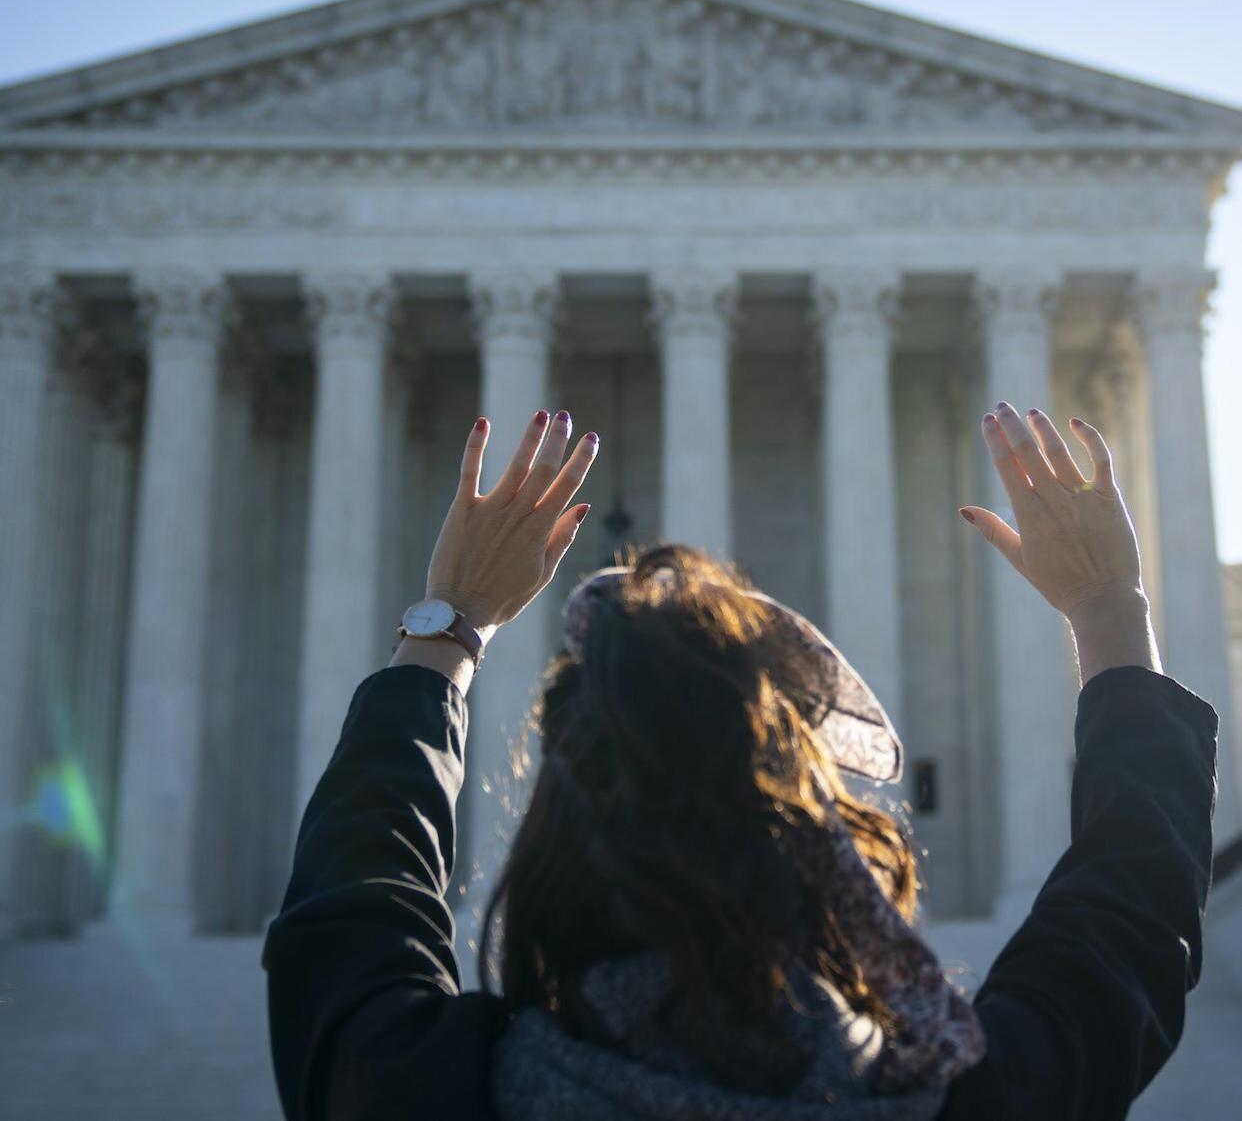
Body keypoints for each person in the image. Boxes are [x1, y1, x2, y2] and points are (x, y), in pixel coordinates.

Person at [262, 401, 1218, 1120]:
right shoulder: (965, 1096)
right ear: (818, 848)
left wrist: (448, 625)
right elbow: (1133, 906)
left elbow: (358, 878)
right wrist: (1109, 610)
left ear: (553, 842)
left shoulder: (420, 1087)